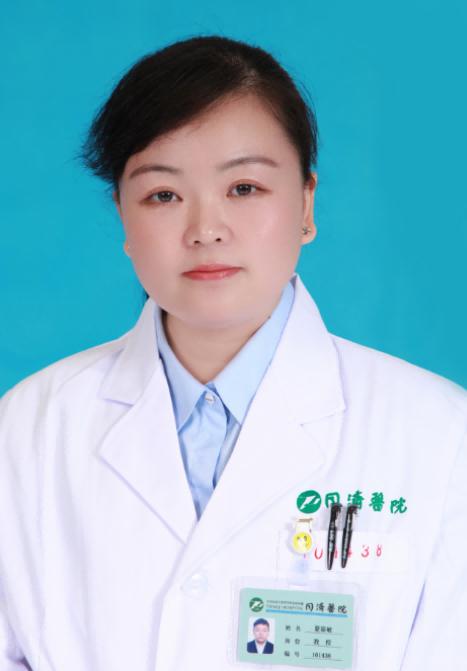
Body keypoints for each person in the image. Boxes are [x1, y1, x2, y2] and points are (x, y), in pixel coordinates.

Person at [0, 34, 465, 671]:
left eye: (244, 188)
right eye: (163, 195)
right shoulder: (29, 427)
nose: (206, 229)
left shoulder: (441, 436)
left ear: (306, 203)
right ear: (123, 217)